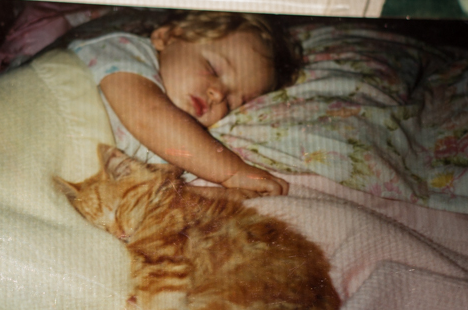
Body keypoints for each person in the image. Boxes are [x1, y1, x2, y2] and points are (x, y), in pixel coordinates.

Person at [69, 11, 301, 196]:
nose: (218, 94)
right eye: (213, 68)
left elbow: (155, 193)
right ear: (168, 36)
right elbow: (149, 115)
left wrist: (221, 195)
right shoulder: (123, 49)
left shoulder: (187, 146)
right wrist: (232, 172)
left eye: (231, 102)